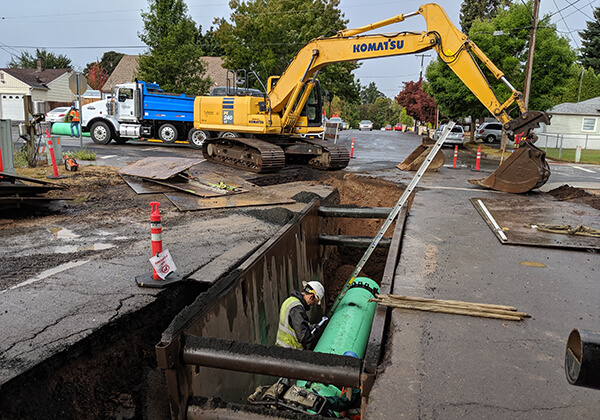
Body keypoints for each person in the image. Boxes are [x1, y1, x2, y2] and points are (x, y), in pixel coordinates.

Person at [276, 281, 326, 350]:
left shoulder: (290, 301)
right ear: (311, 297)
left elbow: (294, 325)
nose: (311, 304)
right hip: (290, 350)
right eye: (313, 301)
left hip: (281, 347)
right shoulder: (297, 308)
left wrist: (311, 327)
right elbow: (303, 337)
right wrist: (315, 334)